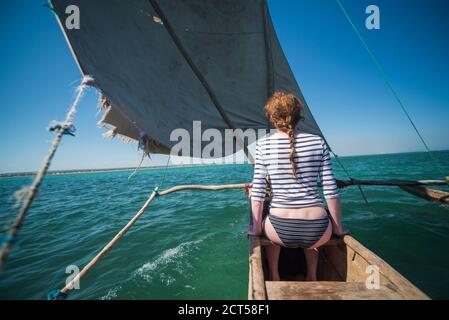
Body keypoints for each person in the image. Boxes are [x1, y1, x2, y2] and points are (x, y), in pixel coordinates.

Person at [247, 92, 347, 281]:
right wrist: (337, 228)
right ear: (299, 115)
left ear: (272, 117)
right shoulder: (318, 142)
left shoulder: (263, 145)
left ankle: (275, 276)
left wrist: (255, 228)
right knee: (313, 240)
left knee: (270, 225)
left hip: (279, 230)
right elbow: (330, 190)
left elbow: (259, 191)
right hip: (318, 231)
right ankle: (311, 276)